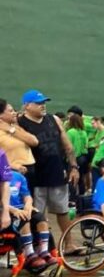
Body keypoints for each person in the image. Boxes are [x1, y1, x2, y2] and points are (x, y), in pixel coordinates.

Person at [17, 89, 81, 255]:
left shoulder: (54, 119)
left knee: (63, 211)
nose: (43, 106)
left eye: (44, 102)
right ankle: (36, 249)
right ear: (26, 106)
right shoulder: (19, 123)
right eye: (38, 103)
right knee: (36, 215)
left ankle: (69, 245)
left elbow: (68, 146)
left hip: (56, 173)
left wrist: (73, 166)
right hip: (34, 176)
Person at [7, 168, 58, 269]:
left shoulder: (18, 177)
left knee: (40, 218)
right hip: (5, 211)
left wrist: (28, 205)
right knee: (24, 220)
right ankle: (29, 254)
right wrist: (14, 210)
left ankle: (43, 251)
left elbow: (27, 196)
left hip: (21, 209)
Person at [0, 98, 37, 175]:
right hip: (12, 172)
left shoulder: (15, 128)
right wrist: (13, 166)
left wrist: (11, 130)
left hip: (29, 170)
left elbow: (34, 142)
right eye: (11, 111)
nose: (15, 113)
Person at [65, 113, 89, 195]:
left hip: (73, 158)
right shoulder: (84, 132)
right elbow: (86, 145)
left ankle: (72, 196)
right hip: (83, 157)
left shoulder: (70, 132)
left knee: (71, 178)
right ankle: (82, 195)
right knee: (81, 177)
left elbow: (67, 145)